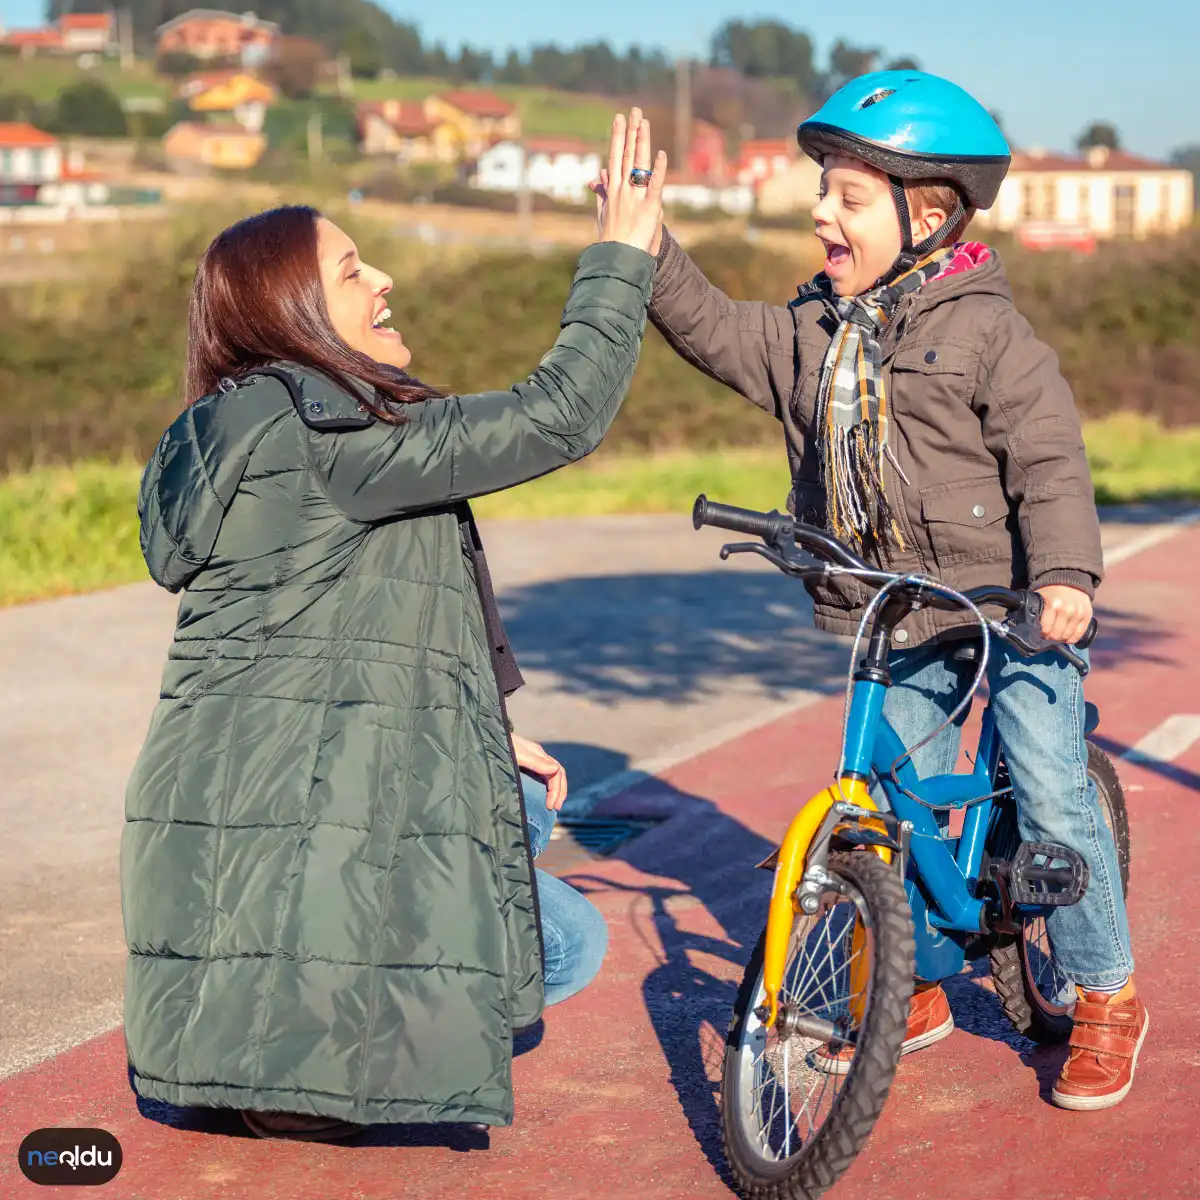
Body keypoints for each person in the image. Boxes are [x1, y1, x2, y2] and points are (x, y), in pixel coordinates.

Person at [604, 71, 1145, 1111]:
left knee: (1043, 774)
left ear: (927, 215)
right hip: (900, 607)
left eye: (849, 198)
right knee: (890, 798)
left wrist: (1068, 578)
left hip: (1013, 609)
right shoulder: (816, 330)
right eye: (824, 193)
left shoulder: (991, 333)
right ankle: (916, 984)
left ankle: (1107, 992)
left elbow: (1050, 465)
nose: (821, 214)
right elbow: (717, 329)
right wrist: (648, 249)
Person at [122, 111, 667, 1141]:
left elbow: (346, 624)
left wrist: (482, 724)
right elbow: (560, 412)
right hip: (301, 811)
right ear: (293, 311)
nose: (383, 285)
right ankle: (316, 1066)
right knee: (563, 942)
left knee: (526, 834)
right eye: (352, 270)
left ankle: (267, 1046)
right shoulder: (332, 431)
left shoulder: (249, 428)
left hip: (222, 813)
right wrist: (621, 258)